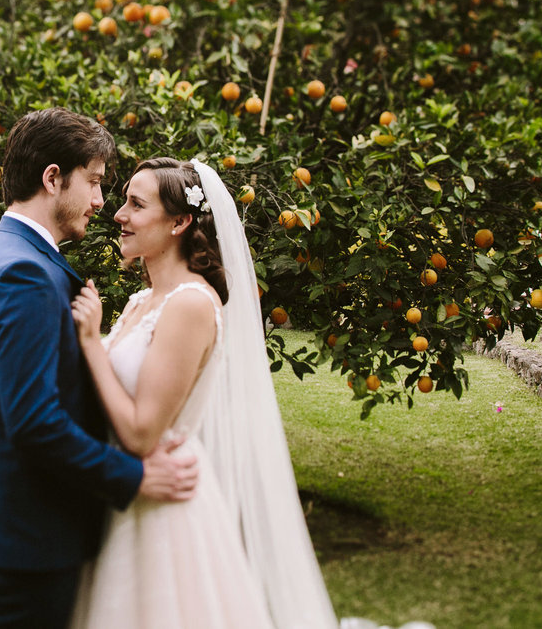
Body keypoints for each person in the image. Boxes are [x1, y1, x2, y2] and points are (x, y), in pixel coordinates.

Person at [0, 109, 201, 629]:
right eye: (95, 182)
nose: (102, 202)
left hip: (20, 523)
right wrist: (135, 476)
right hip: (31, 530)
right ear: (53, 178)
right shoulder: (26, 273)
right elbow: (35, 422)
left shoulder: (4, 253)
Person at [68, 158, 339, 628]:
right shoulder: (141, 300)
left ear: (179, 221)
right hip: (121, 498)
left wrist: (91, 342)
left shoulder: (191, 304)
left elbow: (140, 433)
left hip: (161, 513)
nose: (118, 214)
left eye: (136, 204)